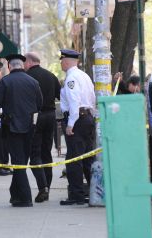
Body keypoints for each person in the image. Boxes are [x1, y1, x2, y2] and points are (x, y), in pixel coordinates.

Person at [0, 54, 43, 207]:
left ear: (9, 67)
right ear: (22, 66)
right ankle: (15, 194)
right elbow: (40, 103)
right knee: (21, 161)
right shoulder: (33, 82)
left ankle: (25, 198)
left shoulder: (5, 82)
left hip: (12, 127)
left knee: (18, 162)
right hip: (29, 126)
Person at [59, 49, 96, 206]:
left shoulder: (71, 78)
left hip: (78, 120)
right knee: (88, 158)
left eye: (62, 60)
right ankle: (95, 192)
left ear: (67, 61)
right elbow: (92, 98)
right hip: (87, 118)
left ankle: (77, 195)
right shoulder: (84, 76)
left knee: (74, 159)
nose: (61, 63)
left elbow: (74, 102)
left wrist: (70, 124)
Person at [24, 52, 61, 202]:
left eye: (24, 62)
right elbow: (60, 95)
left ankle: (42, 187)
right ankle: (47, 187)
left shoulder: (28, 77)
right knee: (47, 152)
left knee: (35, 154)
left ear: (29, 62)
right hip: (50, 116)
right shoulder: (51, 76)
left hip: (35, 117)